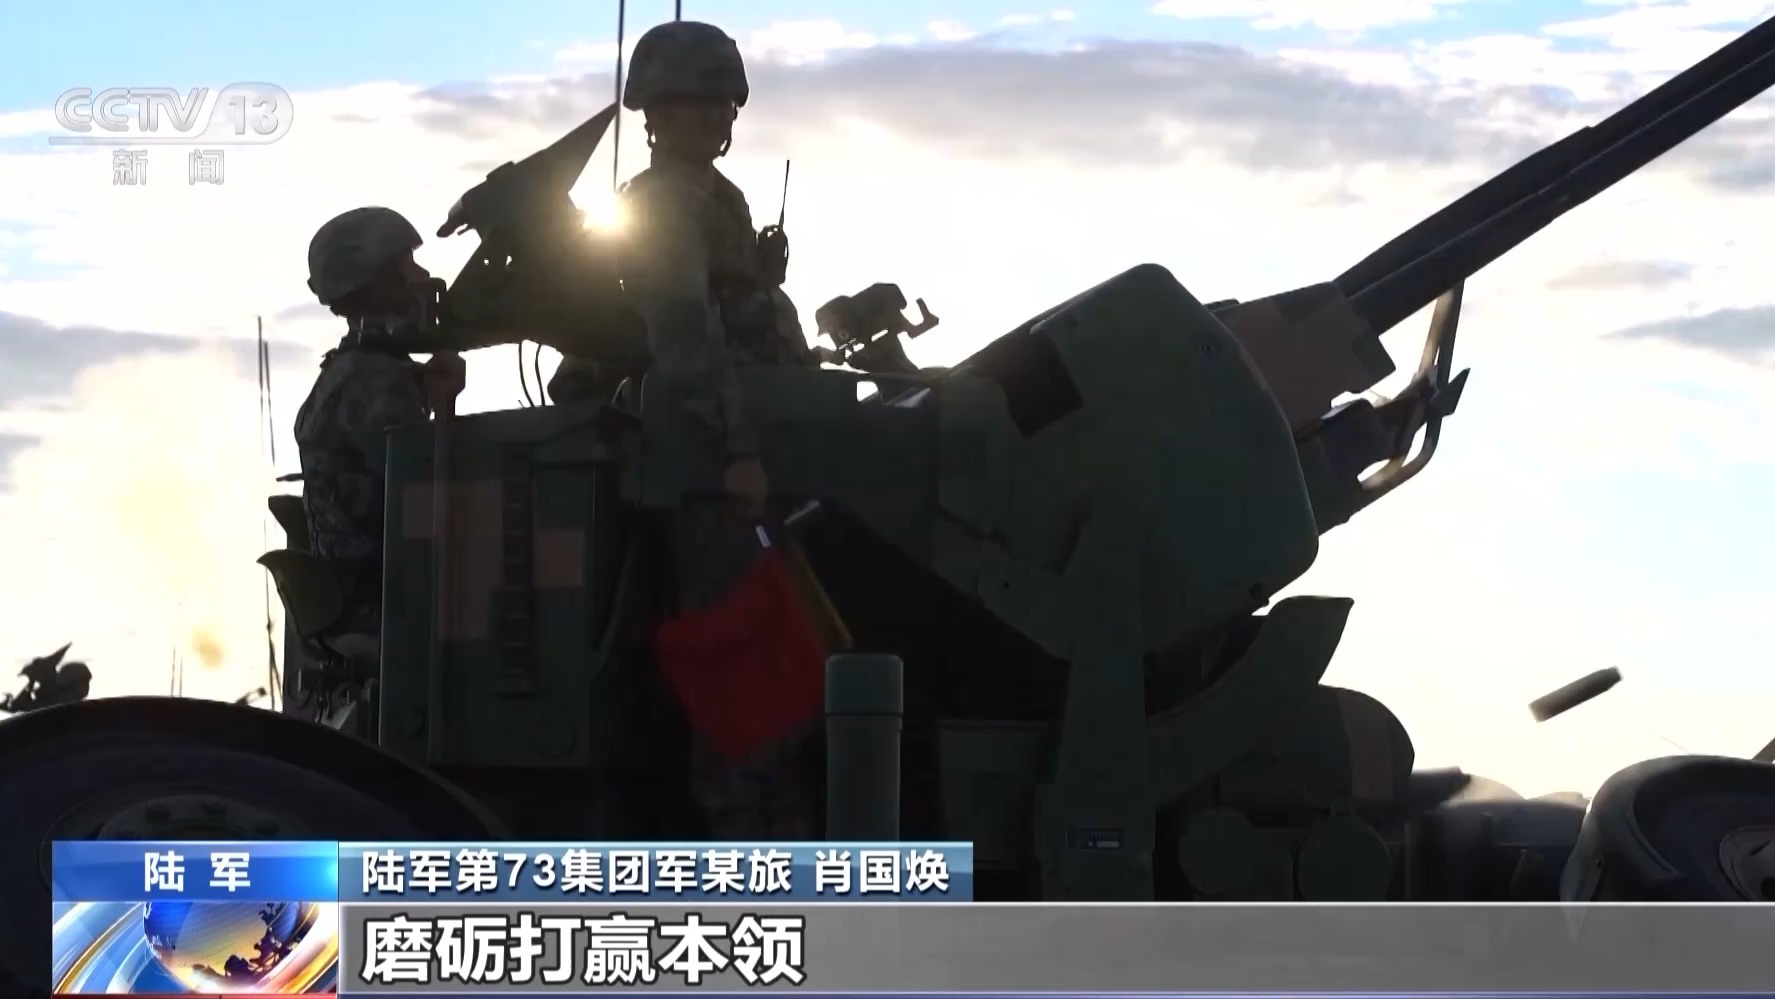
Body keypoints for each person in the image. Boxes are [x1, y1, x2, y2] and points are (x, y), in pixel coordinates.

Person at [616, 20, 833, 839]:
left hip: (753, 452)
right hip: (712, 466)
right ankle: (744, 843)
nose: (715, 117)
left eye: (722, 102)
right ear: (656, 112)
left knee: (777, 650)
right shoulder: (660, 202)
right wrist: (738, 448)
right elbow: (683, 334)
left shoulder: (717, 198)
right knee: (738, 658)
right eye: (694, 102)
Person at [294, 207, 466, 642]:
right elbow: (431, 503)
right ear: (373, 283)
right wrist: (446, 404)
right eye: (406, 264)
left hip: (361, 599)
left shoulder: (347, 369)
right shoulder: (375, 379)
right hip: (386, 610)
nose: (420, 275)